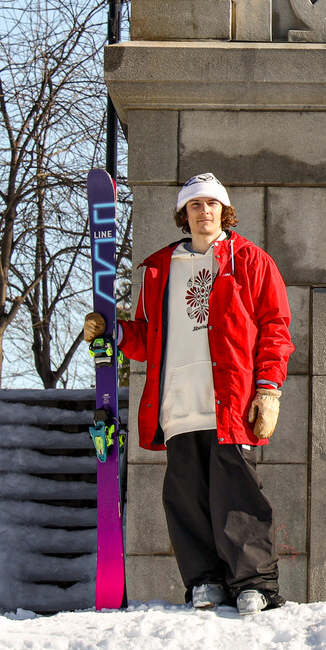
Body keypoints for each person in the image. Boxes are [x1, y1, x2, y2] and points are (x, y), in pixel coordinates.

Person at [83, 173, 292, 614]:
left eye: (212, 204)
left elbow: (275, 329)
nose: (204, 212)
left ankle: (254, 583)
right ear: (184, 214)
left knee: (236, 493)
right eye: (195, 206)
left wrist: (268, 389)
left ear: (225, 211)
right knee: (185, 495)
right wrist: (114, 332)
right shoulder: (160, 269)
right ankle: (204, 580)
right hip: (177, 400)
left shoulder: (252, 261)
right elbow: (146, 338)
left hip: (229, 399)